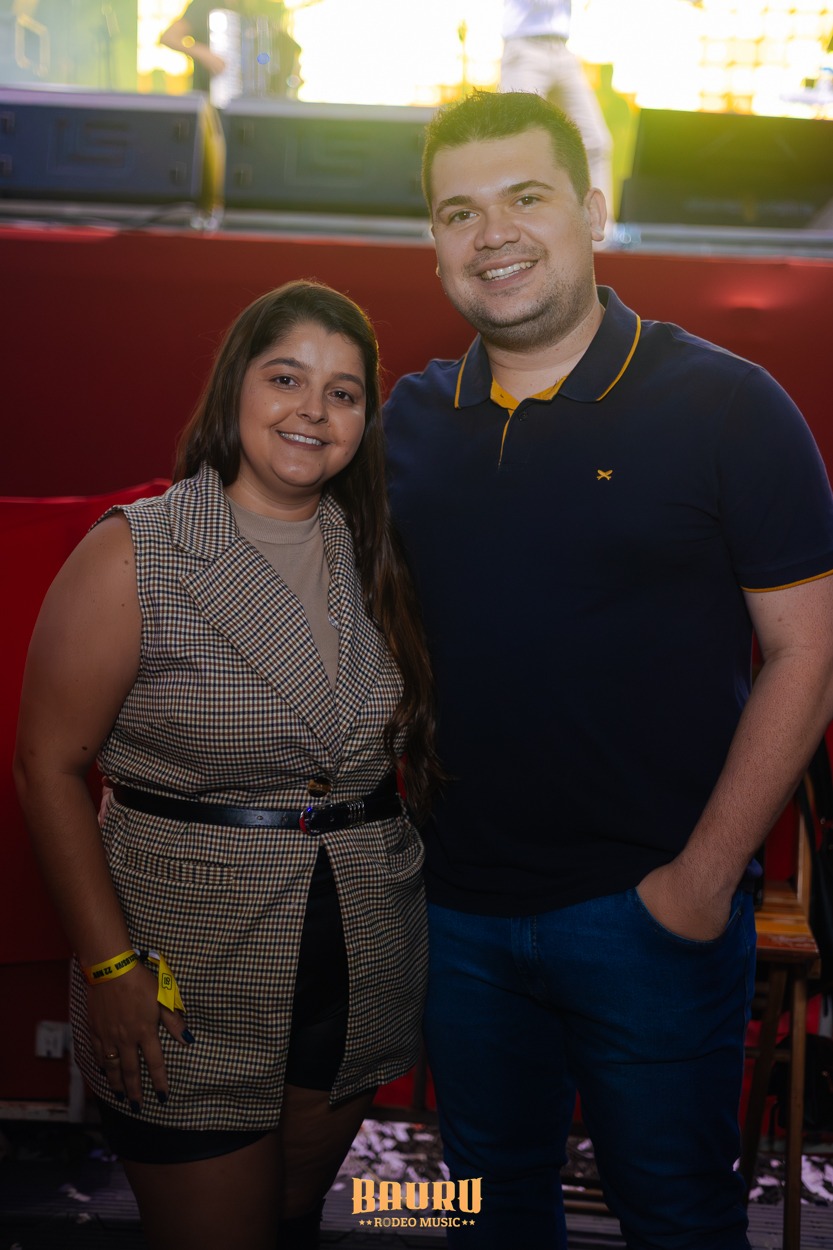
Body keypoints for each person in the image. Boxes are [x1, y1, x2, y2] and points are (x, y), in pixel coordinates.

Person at [384, 89, 833, 1249]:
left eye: (525, 198)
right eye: (459, 211)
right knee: (480, 1216)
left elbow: (810, 650)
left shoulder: (727, 405)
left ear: (591, 212)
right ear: (433, 243)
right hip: (457, 917)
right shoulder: (406, 425)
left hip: (649, 915)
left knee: (678, 1218)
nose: (491, 233)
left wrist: (699, 879)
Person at [14, 280, 440, 1250]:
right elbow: (46, 767)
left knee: (290, 1224)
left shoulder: (378, 554)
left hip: (360, 956)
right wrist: (110, 965)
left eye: (341, 392)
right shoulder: (138, 550)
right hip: (186, 962)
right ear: (234, 387)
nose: (312, 410)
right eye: (285, 378)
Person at [500, 0, 615, 217]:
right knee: (515, 141)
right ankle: (513, 221)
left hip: (562, 50)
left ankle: (601, 229)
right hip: (524, 48)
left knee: (594, 143)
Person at [159, 0, 300, 100]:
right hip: (209, 101)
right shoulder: (203, 5)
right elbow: (168, 37)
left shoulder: (255, 10)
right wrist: (203, 53)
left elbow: (289, 48)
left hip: (249, 106)